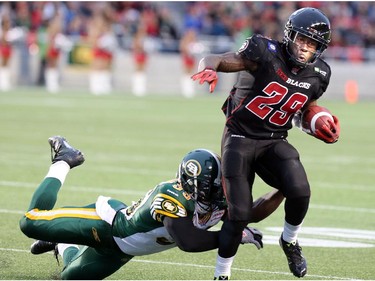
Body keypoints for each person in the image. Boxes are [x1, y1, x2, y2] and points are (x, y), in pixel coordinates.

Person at [191, 7, 340, 279]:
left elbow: (301, 110)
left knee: (300, 190)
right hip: (239, 137)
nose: (306, 47)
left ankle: (290, 240)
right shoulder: (264, 51)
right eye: (302, 39)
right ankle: (222, 274)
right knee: (239, 214)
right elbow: (218, 58)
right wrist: (209, 68)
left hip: (273, 140)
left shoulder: (319, 73)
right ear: (289, 35)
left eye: (313, 43)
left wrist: (315, 123)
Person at [19, 136, 284, 280]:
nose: (221, 192)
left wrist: (284, 189)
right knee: (29, 222)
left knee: (69, 279)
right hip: (105, 225)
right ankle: (64, 159)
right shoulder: (172, 196)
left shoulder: (215, 198)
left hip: (122, 250)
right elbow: (189, 241)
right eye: (213, 186)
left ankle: (60, 244)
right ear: (196, 185)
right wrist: (236, 235)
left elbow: (251, 210)